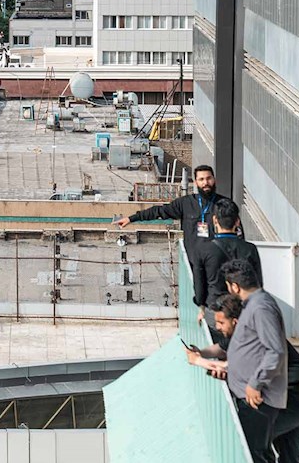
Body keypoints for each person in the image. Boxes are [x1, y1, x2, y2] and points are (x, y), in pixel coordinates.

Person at [185, 295, 299, 463]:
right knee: (288, 453)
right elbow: (221, 348)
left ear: (234, 322)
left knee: (255, 444)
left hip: (295, 395)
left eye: (221, 323)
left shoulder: (250, 338)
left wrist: (197, 360)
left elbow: (227, 366)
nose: (217, 327)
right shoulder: (246, 329)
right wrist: (201, 352)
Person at [222, 259, 288, 463]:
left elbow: (275, 351)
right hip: (251, 397)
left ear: (235, 286)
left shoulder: (261, 308)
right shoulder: (253, 305)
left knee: (255, 454)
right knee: (258, 452)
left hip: (258, 399)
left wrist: (255, 383)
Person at [113, 164, 237, 266]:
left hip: (219, 263)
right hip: (194, 263)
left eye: (209, 178)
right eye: (201, 179)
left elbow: (237, 234)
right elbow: (159, 211)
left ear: (214, 179)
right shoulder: (186, 203)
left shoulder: (225, 205)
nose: (206, 182)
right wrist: (131, 218)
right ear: (195, 183)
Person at [191, 198, 263, 334]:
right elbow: (258, 284)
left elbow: (199, 286)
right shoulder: (250, 249)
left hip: (216, 311)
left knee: (217, 349)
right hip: (243, 310)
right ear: (237, 221)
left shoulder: (203, 249)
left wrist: (201, 307)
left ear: (215, 220)